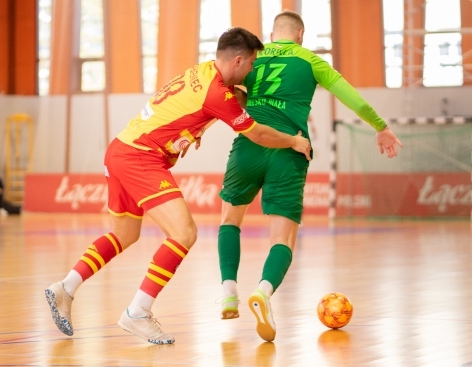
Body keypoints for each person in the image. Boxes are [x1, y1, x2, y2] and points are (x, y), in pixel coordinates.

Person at [44, 27, 312, 345]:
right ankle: (138, 311)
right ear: (239, 60)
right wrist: (294, 141)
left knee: (125, 234)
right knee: (184, 233)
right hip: (140, 157)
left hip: (119, 149)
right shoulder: (217, 94)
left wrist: (196, 129)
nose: (251, 72)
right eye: (252, 64)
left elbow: (206, 104)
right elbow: (257, 134)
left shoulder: (200, 72)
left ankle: (66, 287)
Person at [217, 11, 403, 342]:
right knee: (283, 239)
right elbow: (351, 98)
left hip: (249, 144)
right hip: (291, 150)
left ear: (272, 35)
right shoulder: (311, 61)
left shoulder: (252, 58)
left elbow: (218, 92)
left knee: (230, 220)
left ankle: (228, 288)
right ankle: (263, 290)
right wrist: (380, 127)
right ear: (300, 35)